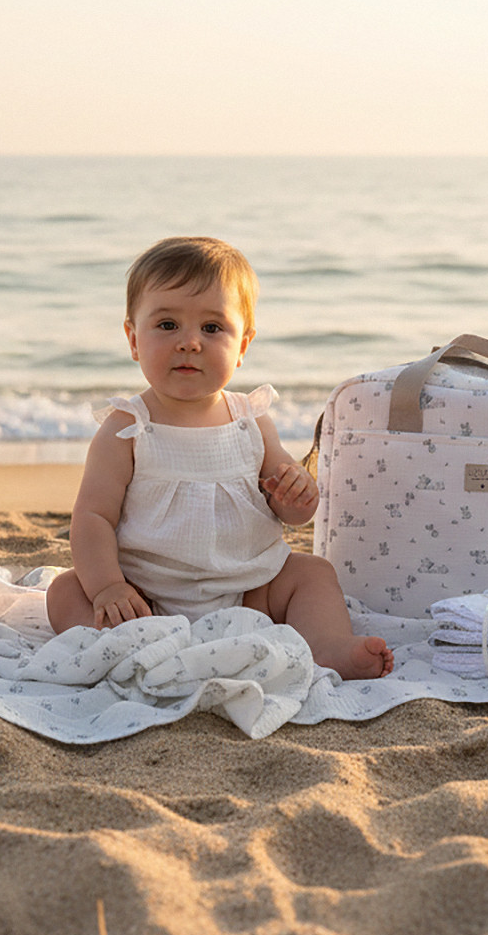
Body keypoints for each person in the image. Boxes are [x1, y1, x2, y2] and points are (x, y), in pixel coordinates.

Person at [46, 235, 393, 681]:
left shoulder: (250, 419)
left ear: (243, 345)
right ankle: (122, 650)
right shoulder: (127, 426)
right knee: (65, 592)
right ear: (133, 339)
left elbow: (287, 509)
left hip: (248, 587)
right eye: (167, 325)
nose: (190, 342)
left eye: (212, 328)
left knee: (313, 574)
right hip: (145, 592)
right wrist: (109, 586)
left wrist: (298, 495)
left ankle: (327, 648)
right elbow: (91, 516)